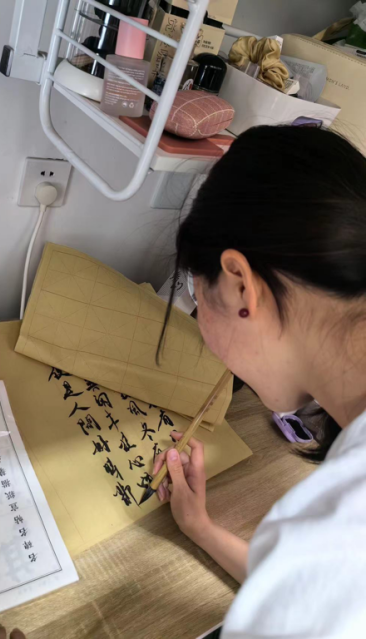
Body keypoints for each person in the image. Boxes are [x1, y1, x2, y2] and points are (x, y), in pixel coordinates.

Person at [154, 125, 366, 637]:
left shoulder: (343, 531)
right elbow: (306, 596)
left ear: (238, 284)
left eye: (195, 292)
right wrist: (201, 528)